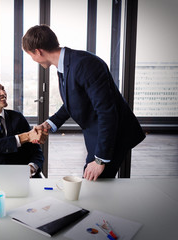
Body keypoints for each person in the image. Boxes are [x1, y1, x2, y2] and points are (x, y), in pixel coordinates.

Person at [22, 24, 145, 181]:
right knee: (94, 185)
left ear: (38, 52)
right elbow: (73, 101)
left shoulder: (84, 64)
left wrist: (100, 159)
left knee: (94, 185)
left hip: (113, 136)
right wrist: (49, 124)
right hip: (98, 134)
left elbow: (107, 112)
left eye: (31, 55)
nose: (33, 60)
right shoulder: (66, 64)